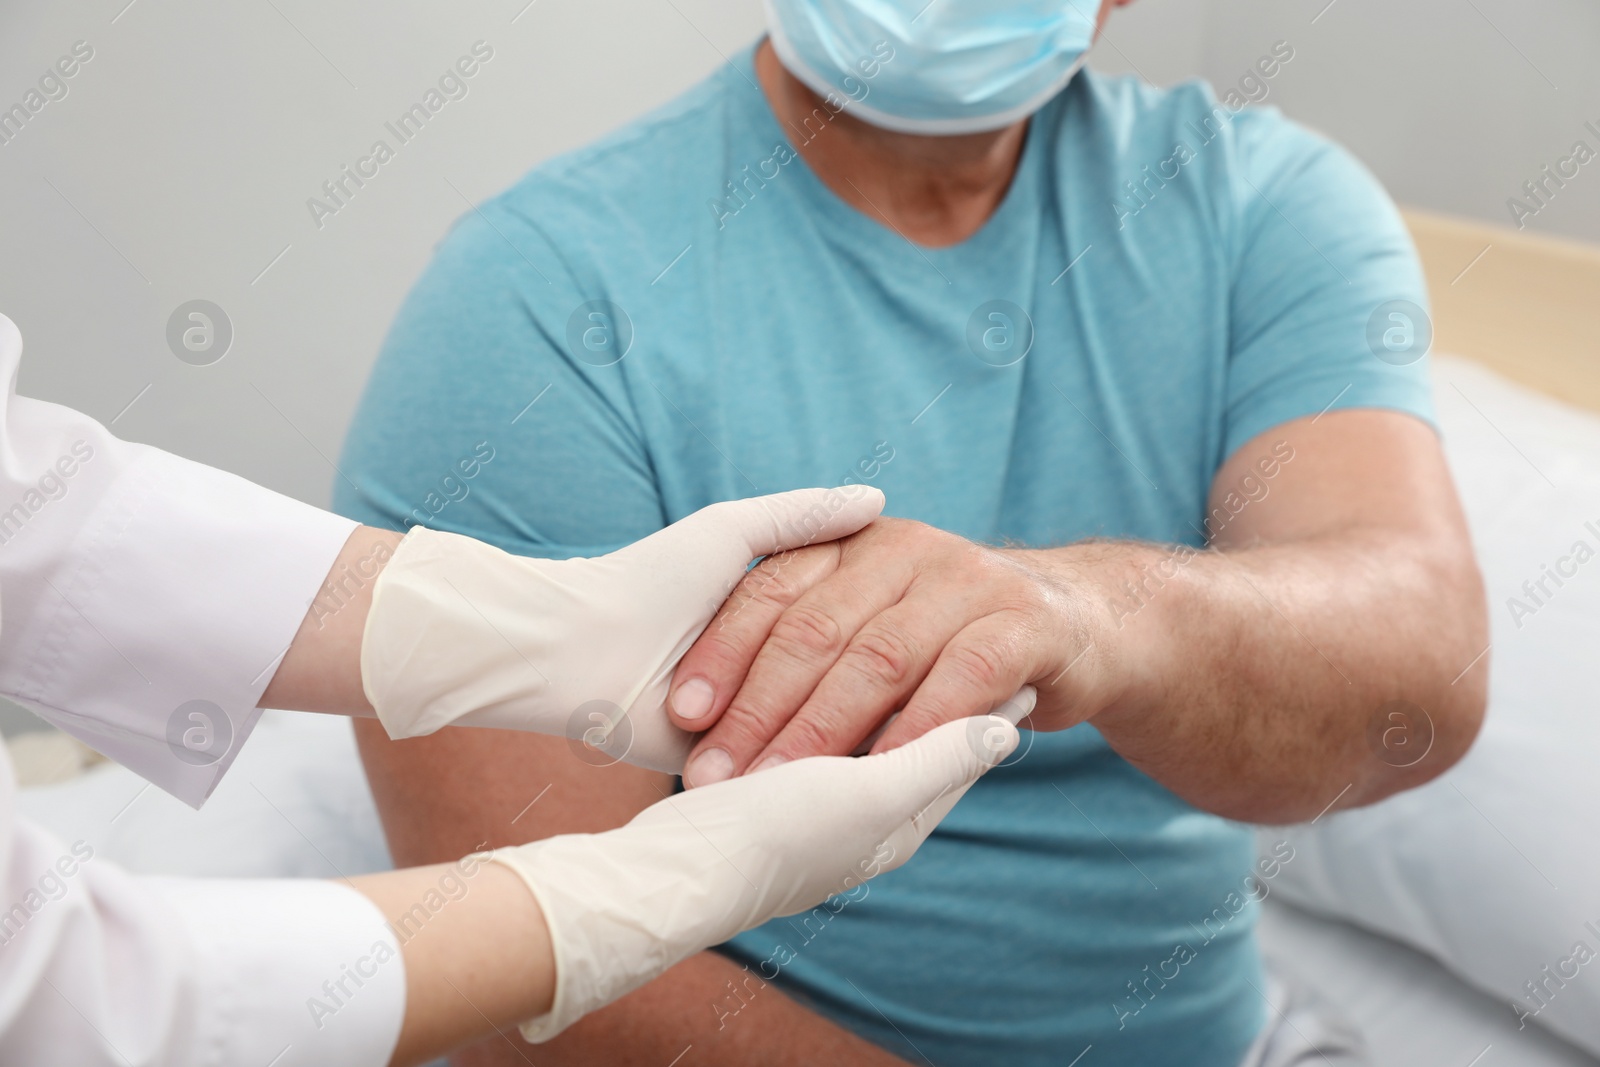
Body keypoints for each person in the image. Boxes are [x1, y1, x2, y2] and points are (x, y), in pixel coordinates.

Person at [335, 0, 1489, 1064]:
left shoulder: (1263, 205)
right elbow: (533, 979)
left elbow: (1416, 680)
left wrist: (1089, 617)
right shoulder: (535, 299)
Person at [0, 310, 1023, 1067]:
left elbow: (30, 503)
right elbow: (74, 1000)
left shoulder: (1184, 171)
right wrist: (623, 898)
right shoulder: (541, 298)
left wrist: (533, 629)